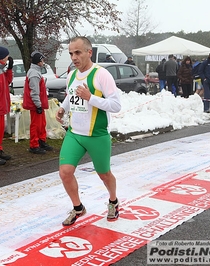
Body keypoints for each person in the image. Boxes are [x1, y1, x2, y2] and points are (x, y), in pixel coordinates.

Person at [56, 36, 122, 226]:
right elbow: (70, 96)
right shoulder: (71, 75)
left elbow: (116, 105)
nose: (74, 57)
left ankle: (113, 201)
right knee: (65, 172)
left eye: (77, 52)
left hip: (97, 135)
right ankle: (78, 208)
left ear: (89, 52)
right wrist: (63, 108)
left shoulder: (101, 75)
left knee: (104, 174)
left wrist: (90, 97)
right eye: (71, 53)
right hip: (75, 134)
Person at [23, 51, 53, 154]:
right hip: (36, 105)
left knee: (41, 124)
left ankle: (41, 141)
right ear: (38, 62)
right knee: (36, 125)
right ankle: (34, 145)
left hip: (38, 104)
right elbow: (34, 92)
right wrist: (38, 105)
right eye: (42, 60)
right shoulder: (34, 74)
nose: (43, 62)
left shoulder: (35, 72)